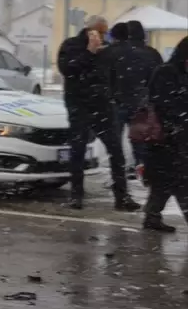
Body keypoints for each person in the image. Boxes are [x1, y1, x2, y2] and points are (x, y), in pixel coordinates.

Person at [57, 15, 139, 211]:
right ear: (90, 31)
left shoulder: (108, 51)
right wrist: (89, 52)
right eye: (101, 32)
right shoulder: (72, 46)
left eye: (105, 33)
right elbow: (68, 69)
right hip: (79, 104)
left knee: (116, 151)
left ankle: (122, 196)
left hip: (103, 106)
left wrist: (113, 96)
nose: (104, 36)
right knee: (78, 149)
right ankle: (76, 195)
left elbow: (112, 76)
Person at [141, 35, 188, 232]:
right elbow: (163, 104)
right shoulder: (166, 72)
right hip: (166, 138)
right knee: (177, 179)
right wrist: (177, 123)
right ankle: (152, 216)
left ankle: (152, 216)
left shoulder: (178, 72)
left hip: (177, 138)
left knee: (167, 181)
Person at [117, 19, 164, 176]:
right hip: (142, 103)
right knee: (140, 138)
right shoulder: (152, 53)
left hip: (117, 101)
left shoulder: (118, 52)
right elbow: (160, 78)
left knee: (114, 139)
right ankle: (141, 166)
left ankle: (117, 168)